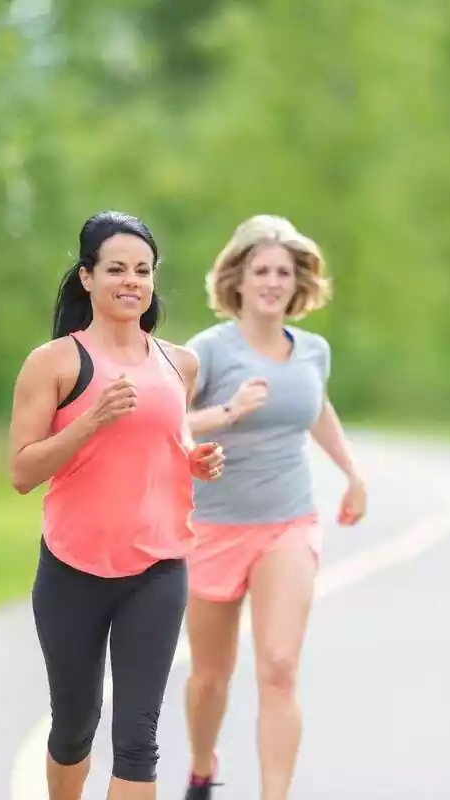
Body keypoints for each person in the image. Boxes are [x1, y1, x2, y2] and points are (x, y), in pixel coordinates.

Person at [8, 210, 226, 800]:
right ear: (86, 277)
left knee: (137, 737)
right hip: (72, 568)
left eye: (142, 270)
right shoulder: (54, 363)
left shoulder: (180, 364)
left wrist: (195, 460)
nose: (131, 281)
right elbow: (23, 472)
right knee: (75, 728)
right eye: (116, 269)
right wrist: (92, 421)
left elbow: (164, 445)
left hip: (157, 567)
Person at [180, 215, 367, 800]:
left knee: (280, 668)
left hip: (288, 522)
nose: (272, 281)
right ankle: (203, 765)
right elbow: (167, 426)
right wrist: (230, 411)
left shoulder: (313, 351)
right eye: (260, 270)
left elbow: (315, 410)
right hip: (211, 527)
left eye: (284, 272)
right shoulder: (207, 352)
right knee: (211, 677)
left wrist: (352, 473)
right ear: (236, 279)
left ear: (298, 283)